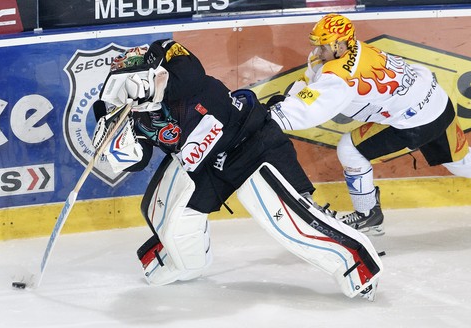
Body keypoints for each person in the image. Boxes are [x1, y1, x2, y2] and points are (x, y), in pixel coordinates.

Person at [91, 39, 383, 300]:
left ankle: (360, 267)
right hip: (208, 166)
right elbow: (138, 160)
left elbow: (192, 71)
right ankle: (186, 263)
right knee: (164, 213)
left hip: (253, 143)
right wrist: (111, 142)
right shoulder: (134, 119)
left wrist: (156, 91)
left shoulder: (168, 59)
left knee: (293, 224)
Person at [267, 13, 471, 236]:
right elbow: (313, 80)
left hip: (414, 119)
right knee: (461, 160)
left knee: (350, 149)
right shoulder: (353, 50)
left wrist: (279, 115)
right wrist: (292, 95)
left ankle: (368, 215)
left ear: (339, 44)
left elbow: (314, 108)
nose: (318, 52)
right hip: (436, 102)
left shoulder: (340, 74)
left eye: (323, 47)